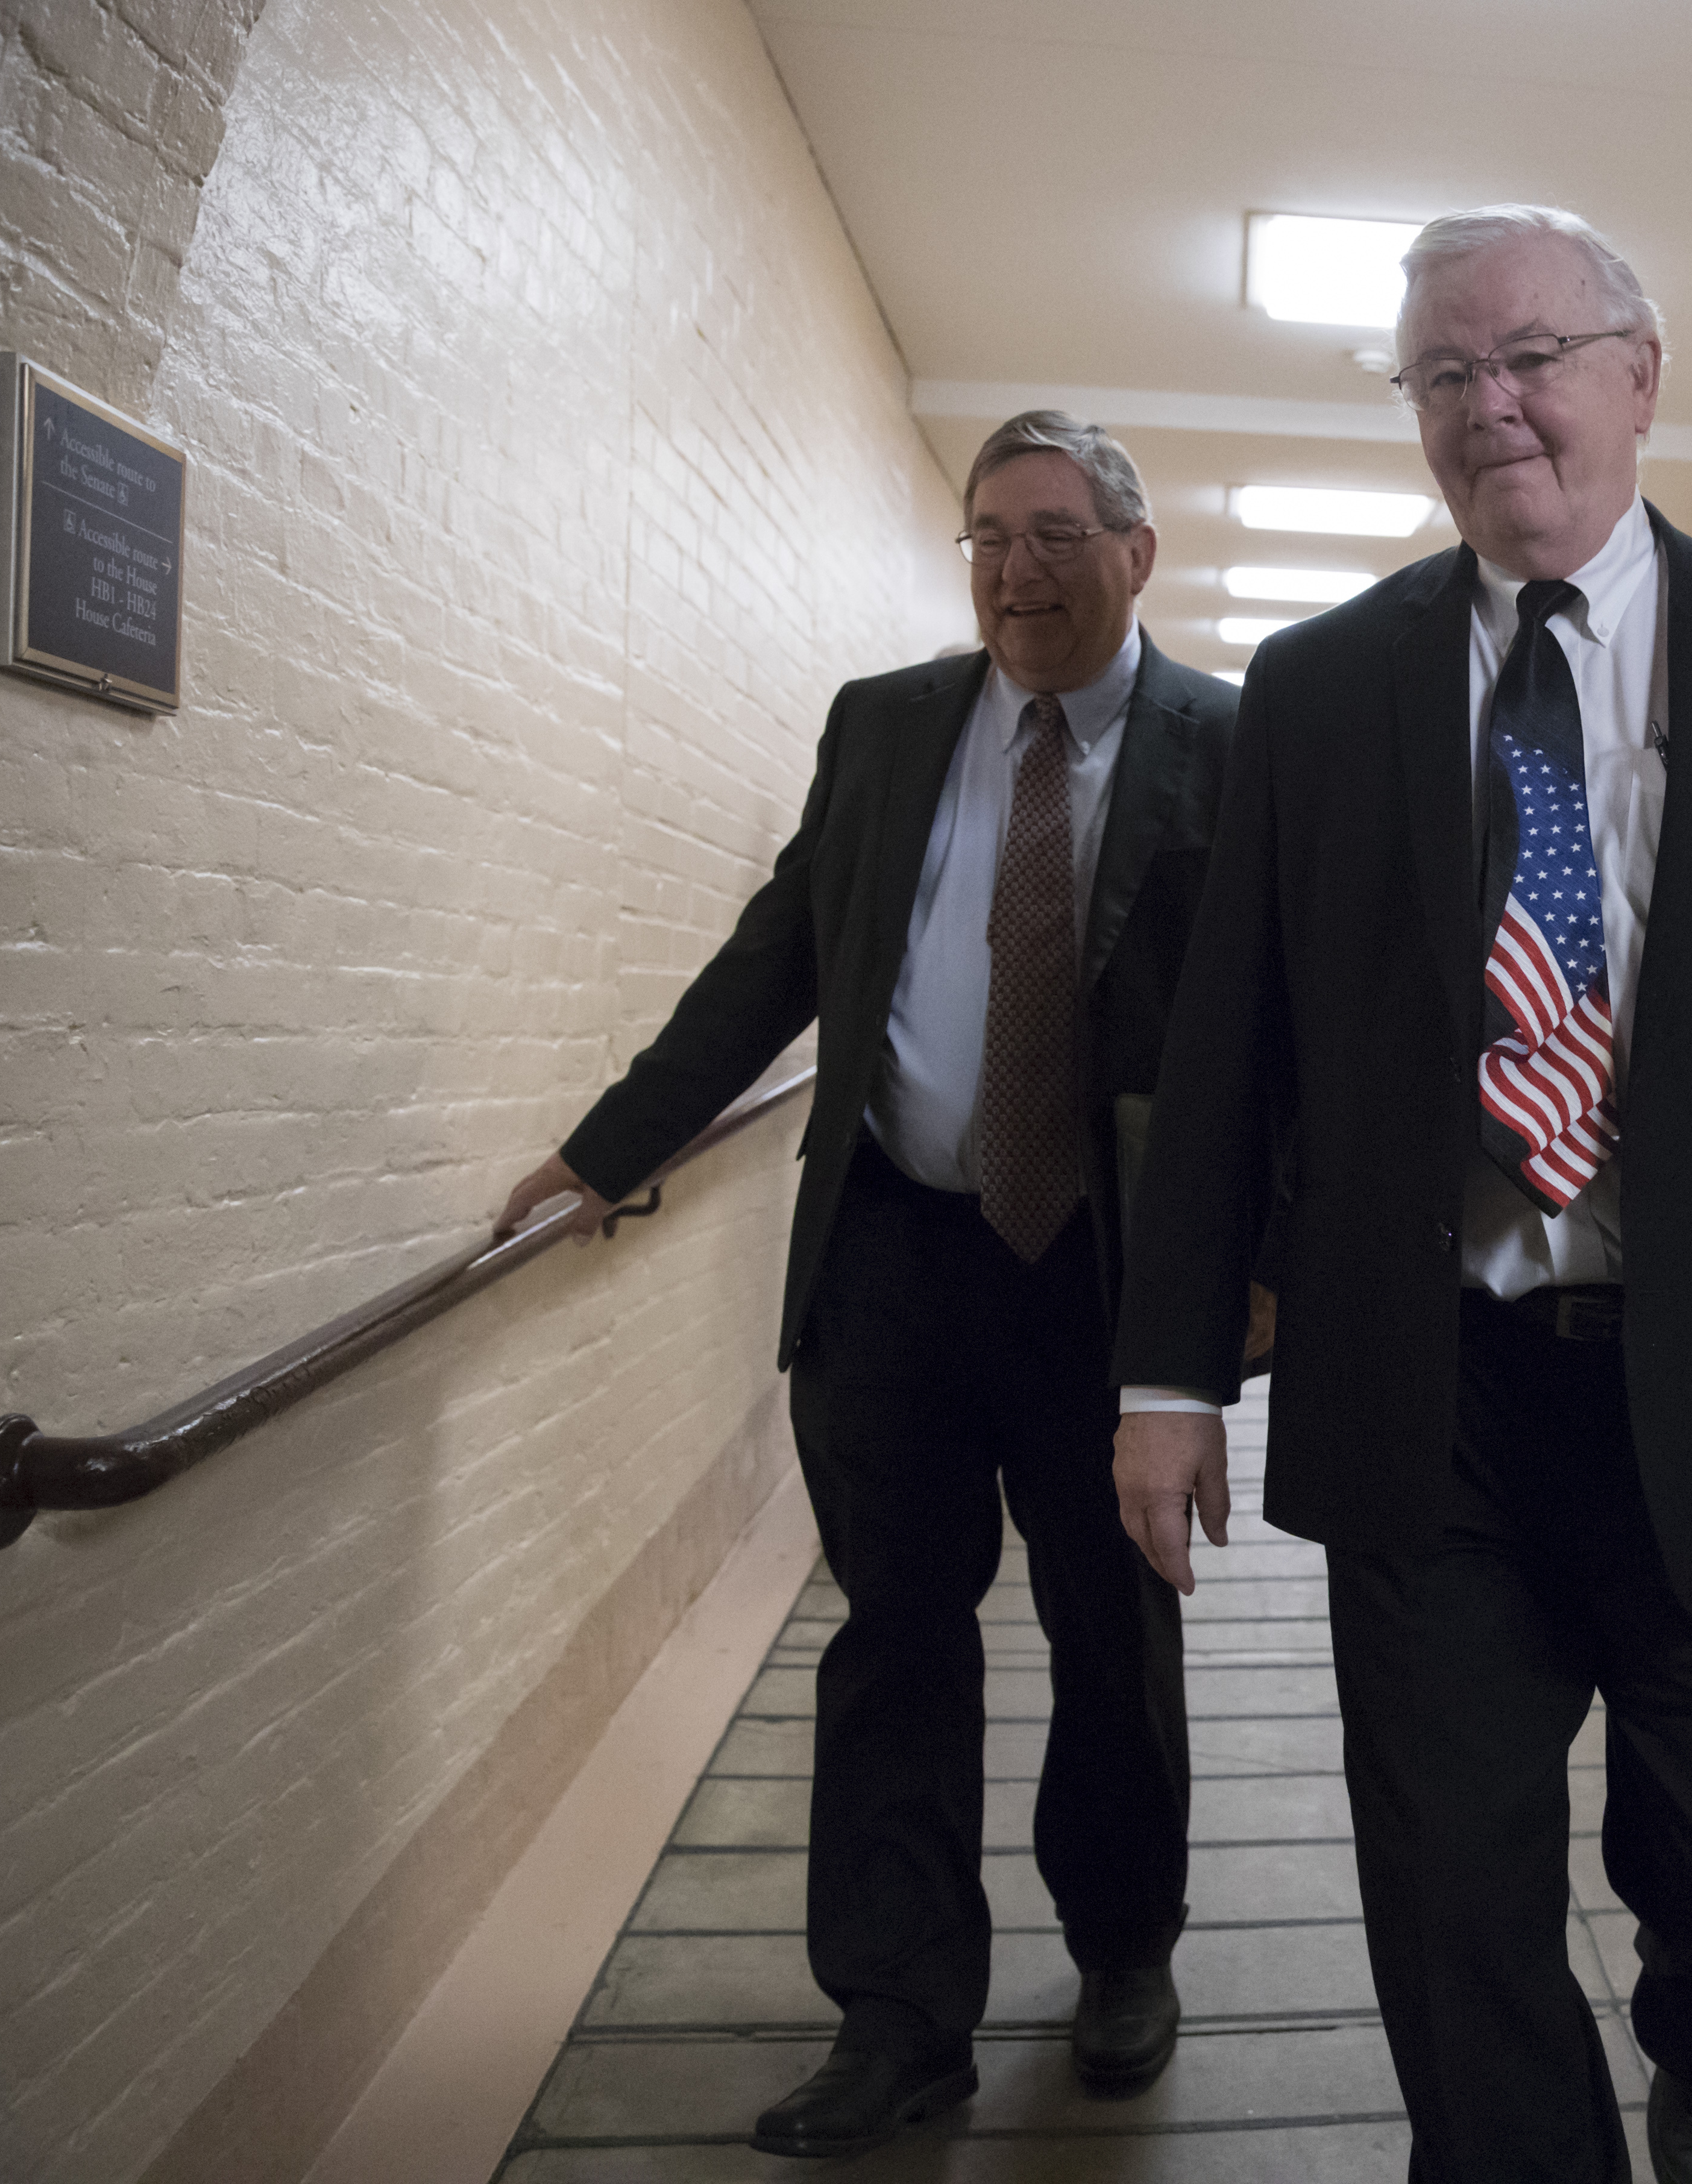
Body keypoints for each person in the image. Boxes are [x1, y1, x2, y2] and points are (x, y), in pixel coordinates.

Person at [1109, 208, 1692, 2184]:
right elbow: (1227, 1065)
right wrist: (1167, 1374)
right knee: (1452, 1910)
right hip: (1435, 1399)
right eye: (1445, 375)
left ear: (1639, 373)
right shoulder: (1325, 686)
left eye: (1531, 355)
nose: (1492, 405)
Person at [496, 412, 1239, 2159]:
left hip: (1105, 1282)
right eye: (987, 537)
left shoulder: (1235, 739)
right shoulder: (888, 723)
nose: (1016, 572)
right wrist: (615, 1145)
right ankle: (899, 2016)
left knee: (1109, 1635)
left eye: (1056, 535)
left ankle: (1126, 1949)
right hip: (896, 1251)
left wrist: (1250, 1282)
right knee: (894, 1635)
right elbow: (782, 951)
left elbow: (1272, 1040)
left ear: (1138, 554)